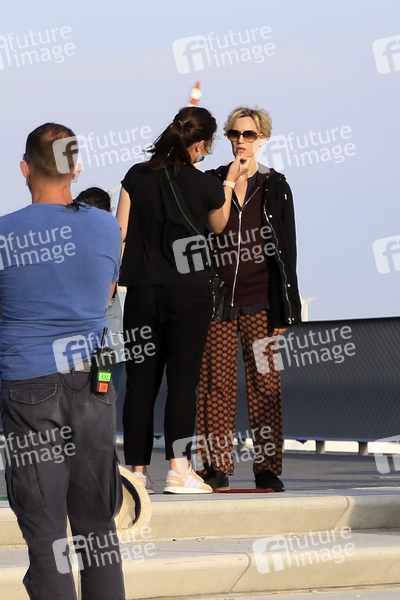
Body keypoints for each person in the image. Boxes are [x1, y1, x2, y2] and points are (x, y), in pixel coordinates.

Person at [0, 124, 125, 600]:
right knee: (98, 526)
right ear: (76, 169)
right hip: (93, 382)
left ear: (25, 168)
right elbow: (105, 292)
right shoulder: (105, 226)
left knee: (46, 531)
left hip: (28, 384)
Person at [116, 106, 247, 494]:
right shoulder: (204, 184)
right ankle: (178, 469)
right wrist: (228, 182)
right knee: (182, 383)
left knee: (140, 384)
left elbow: (119, 232)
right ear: (202, 143)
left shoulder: (136, 176)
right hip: (188, 293)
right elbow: (219, 225)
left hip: (141, 292)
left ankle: (137, 472)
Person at [195, 107, 301, 492]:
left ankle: (267, 468)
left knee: (265, 388)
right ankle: (215, 466)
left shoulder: (275, 186)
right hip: (217, 302)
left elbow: (287, 251)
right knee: (215, 387)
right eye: (234, 134)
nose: (241, 140)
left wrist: (287, 309)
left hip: (263, 302)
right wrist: (229, 181)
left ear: (262, 138)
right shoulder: (211, 182)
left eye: (249, 134)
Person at [75, 186, 126, 396]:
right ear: (109, 211)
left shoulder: (71, 246)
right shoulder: (114, 242)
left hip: (81, 342)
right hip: (111, 343)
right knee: (106, 399)